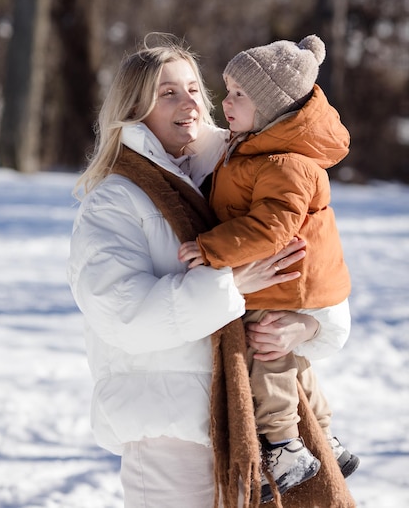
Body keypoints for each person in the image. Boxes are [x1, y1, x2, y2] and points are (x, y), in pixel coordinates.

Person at [67, 33, 353, 508]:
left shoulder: (250, 167)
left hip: (254, 428)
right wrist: (230, 285)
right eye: (167, 93)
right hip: (169, 434)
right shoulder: (115, 201)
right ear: (134, 108)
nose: (190, 103)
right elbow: (123, 315)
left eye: (194, 88)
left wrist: (306, 324)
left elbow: (315, 266)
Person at [178, 35, 360, 503]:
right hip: (289, 279)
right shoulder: (257, 150)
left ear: (271, 107)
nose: (226, 101)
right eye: (227, 88)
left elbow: (271, 228)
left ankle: (282, 443)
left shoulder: (285, 163)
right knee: (293, 365)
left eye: (240, 94)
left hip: (286, 280)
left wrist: (211, 249)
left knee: (268, 357)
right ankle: (323, 434)